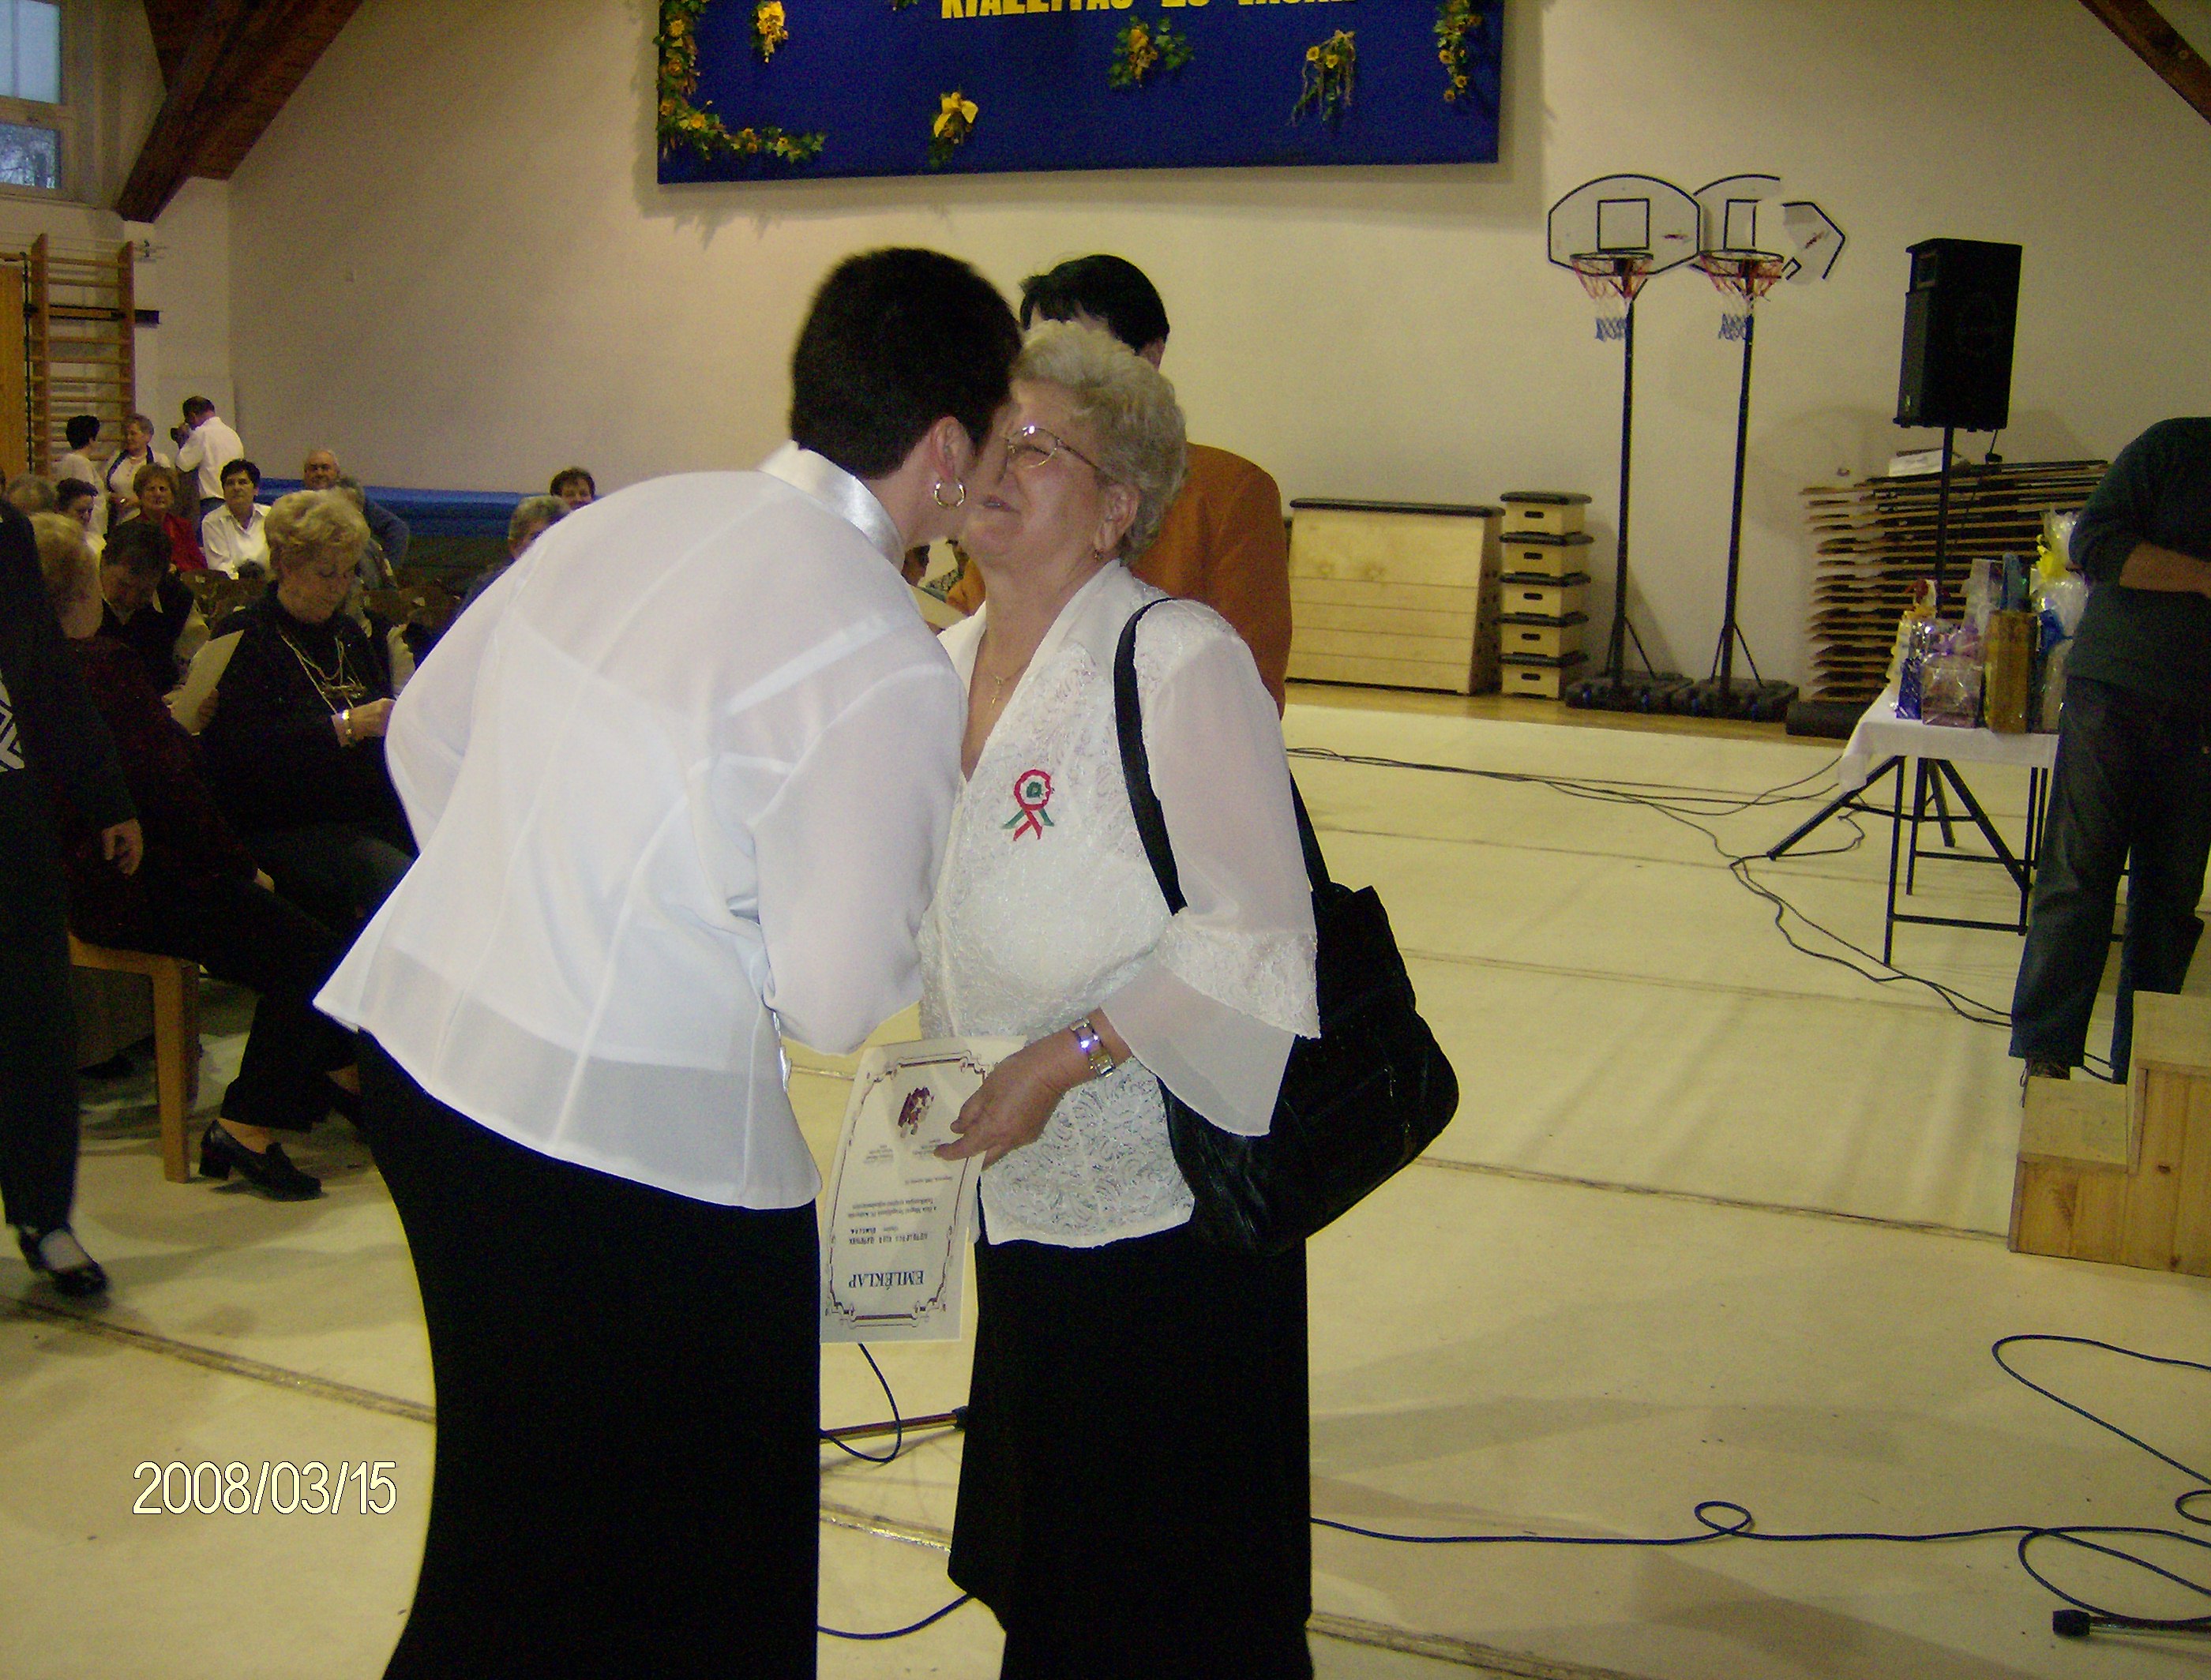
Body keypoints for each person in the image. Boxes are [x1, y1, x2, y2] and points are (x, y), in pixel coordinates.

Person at [313, 247, 1017, 1678]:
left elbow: (425, 737)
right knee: (699, 1570)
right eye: (1000, 437)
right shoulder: (881, 649)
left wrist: (554, 902)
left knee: (512, 1538)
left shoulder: (631, 516)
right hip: (634, 1160)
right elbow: (836, 997)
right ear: (945, 448)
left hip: (431, 1065)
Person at [924, 323, 1319, 1677]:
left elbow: (1257, 930)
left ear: (1116, 509)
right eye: (987, 438)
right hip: (1015, 1189)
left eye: (1037, 448)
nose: (994, 467)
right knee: (1057, 1555)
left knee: (1167, 1584)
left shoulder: (1178, 658)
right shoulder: (935, 665)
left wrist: (1067, 1055)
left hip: (1166, 1205)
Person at [35, 515, 356, 1201]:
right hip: (133, 882)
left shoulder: (28, 667)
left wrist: (181, 723)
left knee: (307, 926)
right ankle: (247, 1124)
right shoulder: (102, 666)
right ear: (82, 589)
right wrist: (243, 867)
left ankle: (335, 1074)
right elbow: (171, 791)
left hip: (65, 878)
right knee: (318, 955)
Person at [946, 253, 1295, 711]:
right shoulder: (1005, 521)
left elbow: (1251, 685)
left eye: (1033, 446)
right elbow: (966, 609)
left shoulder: (1229, 493)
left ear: (1149, 356)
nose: (1050, 370)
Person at [2014, 417, 2211, 1087]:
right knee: (2077, 875)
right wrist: (2203, 577)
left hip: (2203, 720)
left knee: (2171, 902)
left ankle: (2143, 1073)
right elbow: (2093, 544)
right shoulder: (2173, 449)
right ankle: (2048, 1057)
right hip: (2115, 691)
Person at [0, 500, 139, 1299]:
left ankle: (44, 1216)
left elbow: (48, 673)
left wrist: (105, 794)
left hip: (10, 821)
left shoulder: (5, 533)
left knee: (34, 1024)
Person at [197, 489, 414, 932]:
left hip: (360, 814)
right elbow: (244, 755)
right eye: (326, 573)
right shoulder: (246, 636)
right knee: (399, 884)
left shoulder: (349, 635)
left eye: (348, 573)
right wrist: (343, 727)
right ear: (284, 566)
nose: (339, 586)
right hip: (286, 823)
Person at [99, 520, 207, 696]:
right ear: (103, 562)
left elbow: (197, 667)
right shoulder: (76, 595)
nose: (131, 599)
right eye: (123, 585)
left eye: (144, 591)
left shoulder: (176, 598)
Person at [456, 493, 565, 614]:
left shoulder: (575, 585)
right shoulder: (490, 589)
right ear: (515, 546)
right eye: (538, 537)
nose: (547, 544)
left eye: (556, 537)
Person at [302, 449, 410, 568]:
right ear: (305, 475)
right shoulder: (295, 506)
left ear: (337, 473)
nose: (319, 473)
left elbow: (398, 529)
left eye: (325, 468)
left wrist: (387, 569)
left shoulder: (355, 501)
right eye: (313, 469)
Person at [122, 461, 207, 574]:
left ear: (172, 497)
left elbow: (200, 565)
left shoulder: (182, 526)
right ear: (140, 496)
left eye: (163, 489)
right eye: (151, 489)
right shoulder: (129, 530)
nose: (158, 494)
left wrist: (177, 568)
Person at [174, 396, 244, 517]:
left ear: (193, 417)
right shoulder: (232, 434)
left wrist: (183, 440)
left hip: (212, 502)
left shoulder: (201, 433)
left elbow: (182, 466)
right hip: (235, 500)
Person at [200, 459, 270, 577]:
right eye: (230, 483)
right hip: (232, 587)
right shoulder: (212, 522)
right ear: (223, 490)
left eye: (243, 482)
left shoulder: (271, 515)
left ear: (256, 490)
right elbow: (221, 570)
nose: (236, 488)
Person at [104, 411, 172, 526]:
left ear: (147, 436)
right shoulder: (116, 458)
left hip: (148, 522)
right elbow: (102, 488)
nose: (128, 438)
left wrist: (140, 501)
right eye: (126, 434)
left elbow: (167, 494)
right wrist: (111, 497)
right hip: (117, 521)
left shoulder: (159, 460)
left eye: (133, 434)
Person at [57, 414, 105, 534]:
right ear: (91, 439)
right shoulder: (81, 463)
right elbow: (85, 500)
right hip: (87, 530)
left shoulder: (66, 460)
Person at [55, 478, 102, 556]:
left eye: (90, 511)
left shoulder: (98, 544)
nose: (87, 517)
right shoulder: (48, 545)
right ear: (60, 510)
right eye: (80, 511)